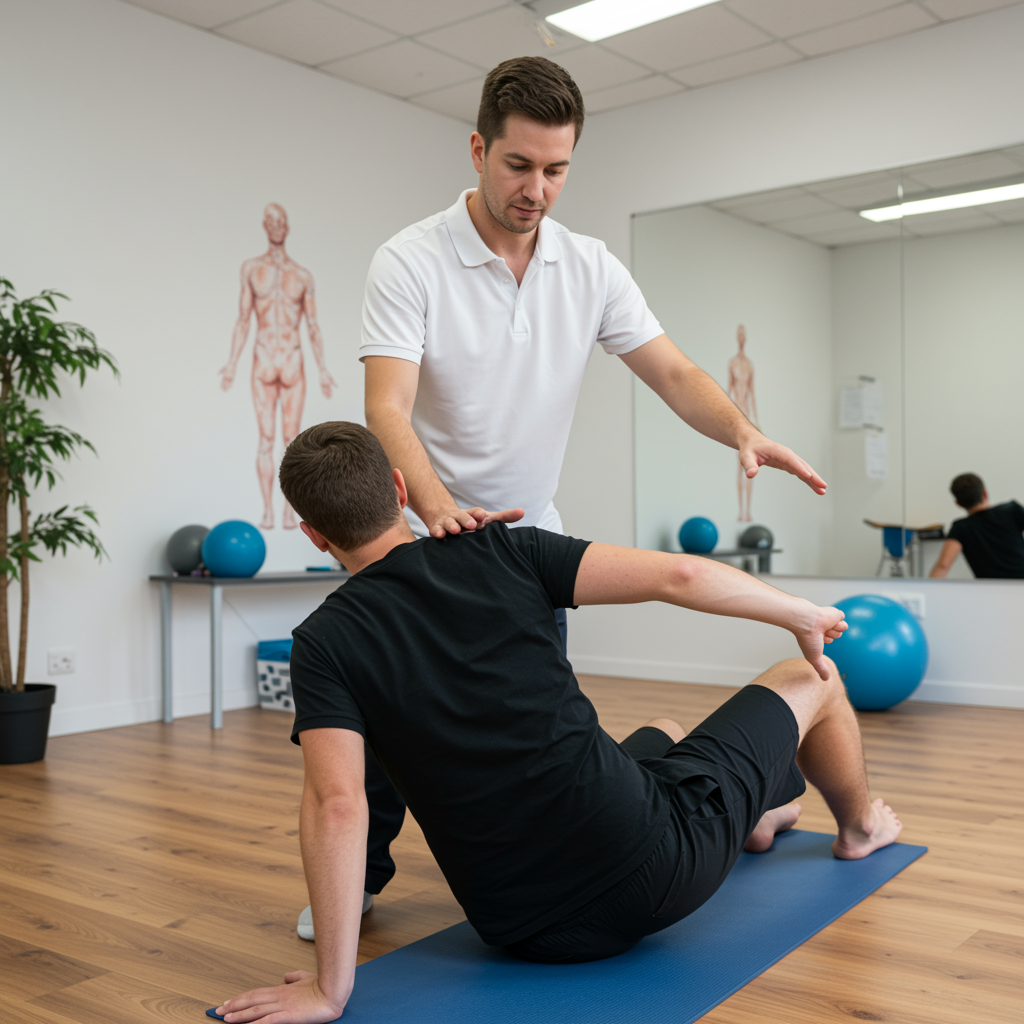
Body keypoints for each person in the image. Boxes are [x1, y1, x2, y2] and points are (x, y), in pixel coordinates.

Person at [349, 54, 829, 945]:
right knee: (391, 728)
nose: (536, 189)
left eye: (556, 169)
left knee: (541, 728)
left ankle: (569, 860)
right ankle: (359, 884)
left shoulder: (588, 266)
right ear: (478, 150)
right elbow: (387, 407)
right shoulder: (410, 260)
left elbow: (674, 371)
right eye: (518, 165)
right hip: (427, 537)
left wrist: (742, 430)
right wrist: (440, 508)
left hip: (532, 548)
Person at [214, 422, 902, 1024]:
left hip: (522, 929)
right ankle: (859, 830)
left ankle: (755, 816)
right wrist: (800, 614)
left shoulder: (321, 643)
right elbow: (682, 578)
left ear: (313, 533)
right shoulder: (504, 549)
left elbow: (337, 804)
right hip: (656, 875)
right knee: (811, 678)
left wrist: (331, 990)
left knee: (663, 728)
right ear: (400, 488)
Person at [219, 203, 337, 530]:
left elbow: (313, 325)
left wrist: (323, 369)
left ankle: (288, 510)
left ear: (286, 227)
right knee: (266, 439)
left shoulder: (302, 275)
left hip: (292, 359)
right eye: (270, 222)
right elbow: (243, 320)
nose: (275, 227)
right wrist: (231, 363)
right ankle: (269, 511)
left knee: (292, 441)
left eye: (280, 222)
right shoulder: (251, 269)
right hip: (264, 358)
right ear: (264, 226)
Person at [929, 473, 1024, 578]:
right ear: (985, 493)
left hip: (990, 587)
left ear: (958, 503)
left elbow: (943, 565)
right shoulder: (1012, 510)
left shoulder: (960, 528)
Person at [727, 324, 760, 522]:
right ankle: (741, 511)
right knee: (739, 465)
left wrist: (756, 422)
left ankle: (748, 512)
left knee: (750, 466)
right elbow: (728, 390)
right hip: (735, 416)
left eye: (743, 335)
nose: (741, 338)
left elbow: (752, 394)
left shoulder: (749, 365)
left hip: (747, 416)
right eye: (738, 334)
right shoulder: (732, 363)